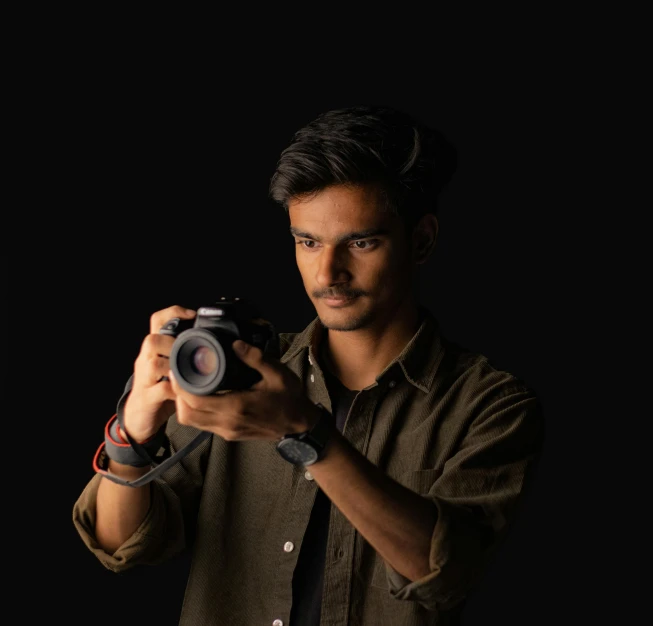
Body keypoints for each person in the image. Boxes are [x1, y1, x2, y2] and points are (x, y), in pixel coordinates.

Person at [73, 104, 544, 626]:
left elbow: (443, 572)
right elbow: (120, 544)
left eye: (361, 242)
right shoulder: (238, 372)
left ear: (422, 240)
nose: (328, 273)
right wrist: (131, 437)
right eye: (308, 242)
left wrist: (305, 432)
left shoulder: (489, 405)